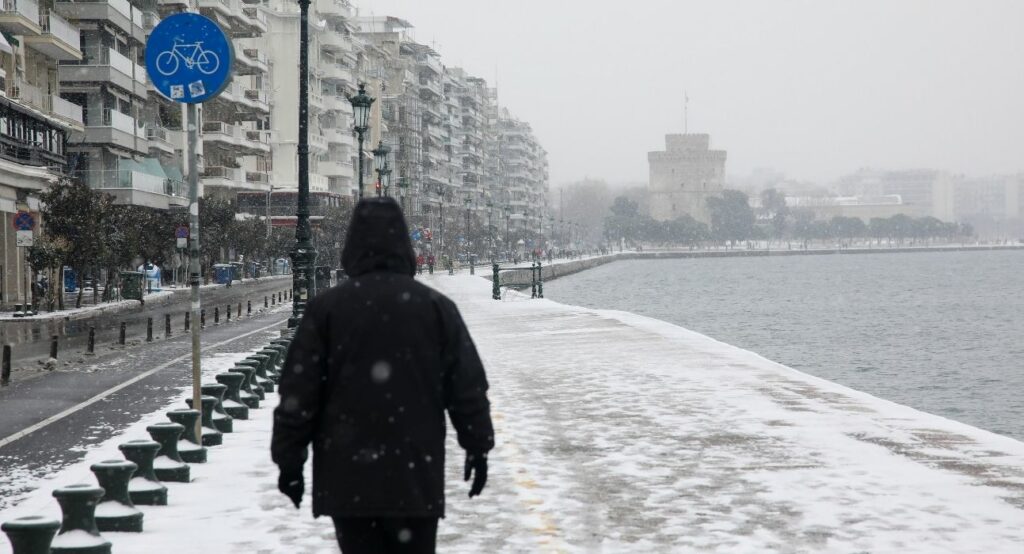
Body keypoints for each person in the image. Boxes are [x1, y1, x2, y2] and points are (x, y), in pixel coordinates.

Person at [272, 198, 495, 554]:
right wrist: (478, 446)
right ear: (405, 246)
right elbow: (466, 387)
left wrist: (289, 460)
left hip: (348, 478)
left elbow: (299, 394)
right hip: (414, 475)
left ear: (351, 247)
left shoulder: (326, 311)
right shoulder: (435, 308)